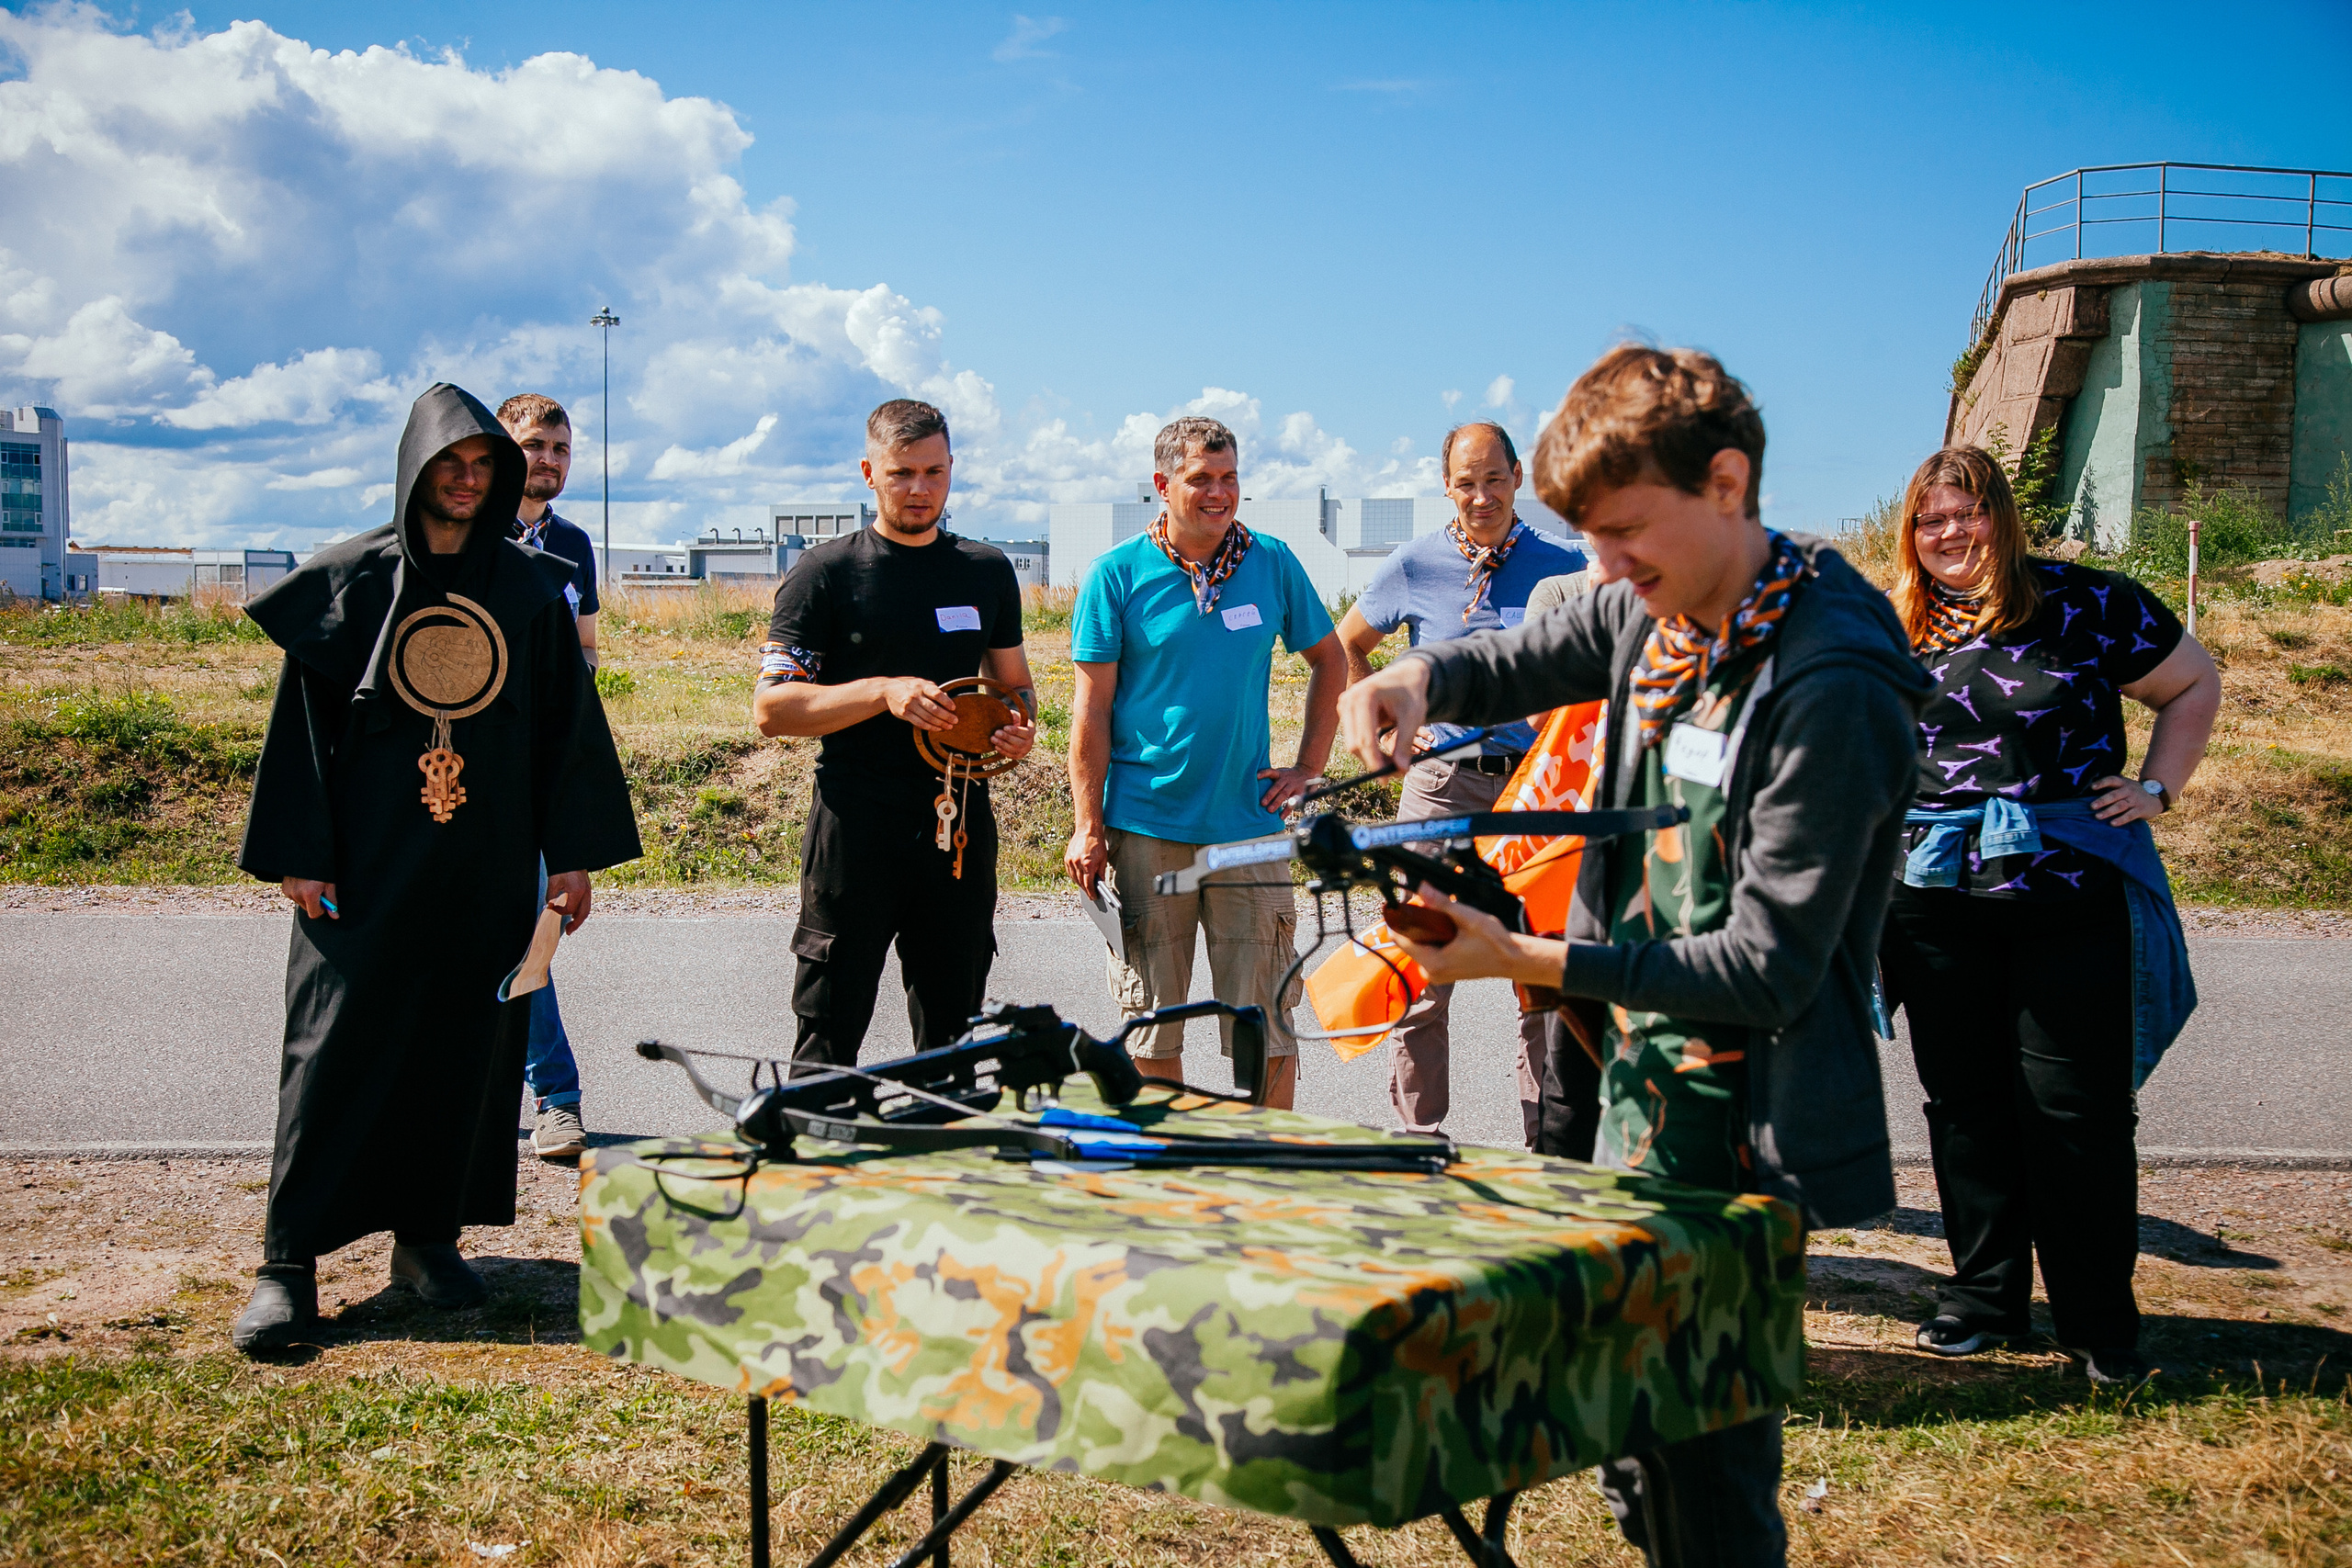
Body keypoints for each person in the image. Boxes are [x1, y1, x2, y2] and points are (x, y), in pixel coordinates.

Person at [1337, 344, 1928, 1568]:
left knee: (1706, 1463)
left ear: (1726, 483)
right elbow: (1533, 649)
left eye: (1622, 532)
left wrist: (1530, 958)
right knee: (1628, 1439)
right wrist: (1419, 670)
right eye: (1590, 538)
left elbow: (1770, 966)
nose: (1603, 565)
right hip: (1636, 1092)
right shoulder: (1654, 605)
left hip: (1748, 1121)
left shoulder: (1832, 677)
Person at [230, 383, 640, 1354]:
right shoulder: (353, 580)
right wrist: (299, 852)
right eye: (450, 465)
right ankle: (287, 1264)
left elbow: (563, 730)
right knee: (331, 1048)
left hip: (485, 858)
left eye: (482, 466)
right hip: (365, 861)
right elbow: (304, 730)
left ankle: (425, 1241)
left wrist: (572, 856)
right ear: (417, 471)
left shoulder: (528, 588)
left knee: (464, 1049)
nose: (466, 481)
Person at [1878, 446, 2216, 1387]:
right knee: (1967, 1108)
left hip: (2067, 893)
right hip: (1931, 903)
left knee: (2079, 1111)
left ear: (2002, 518)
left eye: (1968, 513)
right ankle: (1983, 1298)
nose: (1951, 534)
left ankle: (2097, 1324)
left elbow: (2192, 683)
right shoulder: (1890, 626)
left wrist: (2156, 787)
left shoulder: (2089, 603)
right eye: (1931, 520)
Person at [1064, 416, 1345, 1111]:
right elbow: (1089, 715)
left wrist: (1308, 766)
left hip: (1248, 827)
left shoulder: (1273, 562)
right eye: (1201, 479)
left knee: (1266, 1019)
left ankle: (1266, 1159)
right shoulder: (1117, 575)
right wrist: (1087, 825)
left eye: (1229, 478)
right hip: (1146, 825)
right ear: (1162, 486)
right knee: (1153, 1023)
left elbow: (1331, 662)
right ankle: (1173, 1166)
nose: (1219, 493)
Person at [753, 400, 1037, 1066]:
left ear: (951, 470)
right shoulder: (824, 572)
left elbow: (1015, 685)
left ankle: (940, 1154)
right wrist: (883, 693)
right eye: (902, 472)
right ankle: (819, 1147)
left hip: (959, 823)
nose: (919, 488)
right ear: (868, 473)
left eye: (934, 471)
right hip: (856, 823)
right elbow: (772, 709)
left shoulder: (985, 569)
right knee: (830, 1019)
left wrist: (1020, 728)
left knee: (954, 1027)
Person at [1335, 421, 1587, 1145]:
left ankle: (1550, 1142)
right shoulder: (1413, 564)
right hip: (1440, 787)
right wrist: (1387, 734)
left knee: (1542, 978)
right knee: (1422, 966)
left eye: (1494, 479)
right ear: (1446, 485)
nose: (1482, 496)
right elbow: (1350, 645)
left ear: (1518, 477)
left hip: (1537, 793)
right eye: (1466, 482)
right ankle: (1419, 1138)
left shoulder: (1563, 563)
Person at [496, 392, 600, 1162]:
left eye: (561, 448)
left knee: (533, 931)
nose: (550, 461)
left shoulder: (574, 544)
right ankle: (545, 1094)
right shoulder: (467, 534)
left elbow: (587, 656)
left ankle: (554, 1102)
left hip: (540, 770)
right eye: (536, 445)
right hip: (465, 766)